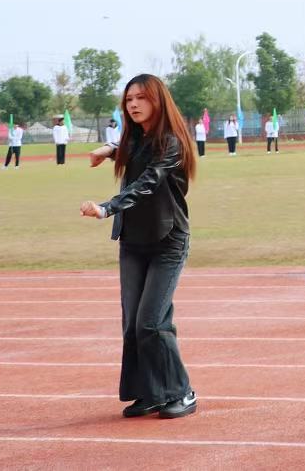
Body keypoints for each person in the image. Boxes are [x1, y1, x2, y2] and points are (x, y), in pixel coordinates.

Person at [80, 73, 199, 420]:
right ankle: (151, 393)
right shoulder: (134, 138)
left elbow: (148, 181)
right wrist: (109, 149)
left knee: (151, 322)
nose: (133, 104)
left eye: (141, 98)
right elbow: (131, 149)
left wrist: (107, 208)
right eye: (129, 99)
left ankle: (182, 392)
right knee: (133, 324)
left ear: (158, 101)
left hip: (168, 240)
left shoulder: (172, 142)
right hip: (133, 241)